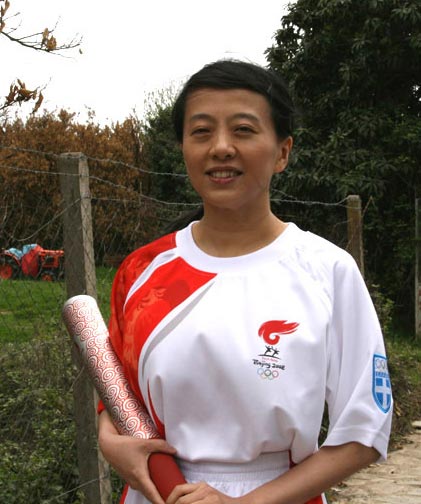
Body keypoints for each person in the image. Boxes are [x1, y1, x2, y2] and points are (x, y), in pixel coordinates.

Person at [98, 59, 393, 504]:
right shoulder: (142, 271)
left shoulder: (327, 271)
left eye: (243, 130)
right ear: (183, 149)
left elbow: (365, 430)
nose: (221, 147)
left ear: (283, 152)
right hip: (161, 491)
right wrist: (110, 440)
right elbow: (116, 389)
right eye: (201, 131)